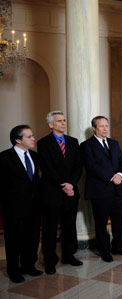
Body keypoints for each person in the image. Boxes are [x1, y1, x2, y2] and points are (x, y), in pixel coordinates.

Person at [81, 116, 122, 262]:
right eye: (101, 126)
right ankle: (104, 250)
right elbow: (92, 167)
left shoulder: (114, 143)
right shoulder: (86, 145)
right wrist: (111, 177)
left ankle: (118, 247)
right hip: (100, 191)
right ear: (94, 128)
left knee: (119, 221)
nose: (105, 129)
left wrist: (120, 174)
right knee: (101, 223)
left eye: (106, 126)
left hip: (118, 190)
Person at [38, 111, 83, 275]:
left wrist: (71, 184)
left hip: (71, 191)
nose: (63, 123)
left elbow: (78, 165)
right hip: (52, 192)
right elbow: (47, 168)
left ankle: (68, 255)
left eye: (64, 120)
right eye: (59, 121)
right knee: (50, 228)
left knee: (69, 226)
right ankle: (50, 261)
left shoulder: (73, 141)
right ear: (51, 124)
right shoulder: (43, 143)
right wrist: (63, 184)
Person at [0, 125, 43, 283]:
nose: (33, 139)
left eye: (33, 135)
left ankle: (28, 266)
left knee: (32, 238)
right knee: (13, 241)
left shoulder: (34, 155)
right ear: (18, 140)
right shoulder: (4, 157)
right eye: (29, 136)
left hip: (34, 206)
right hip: (13, 208)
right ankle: (14, 271)